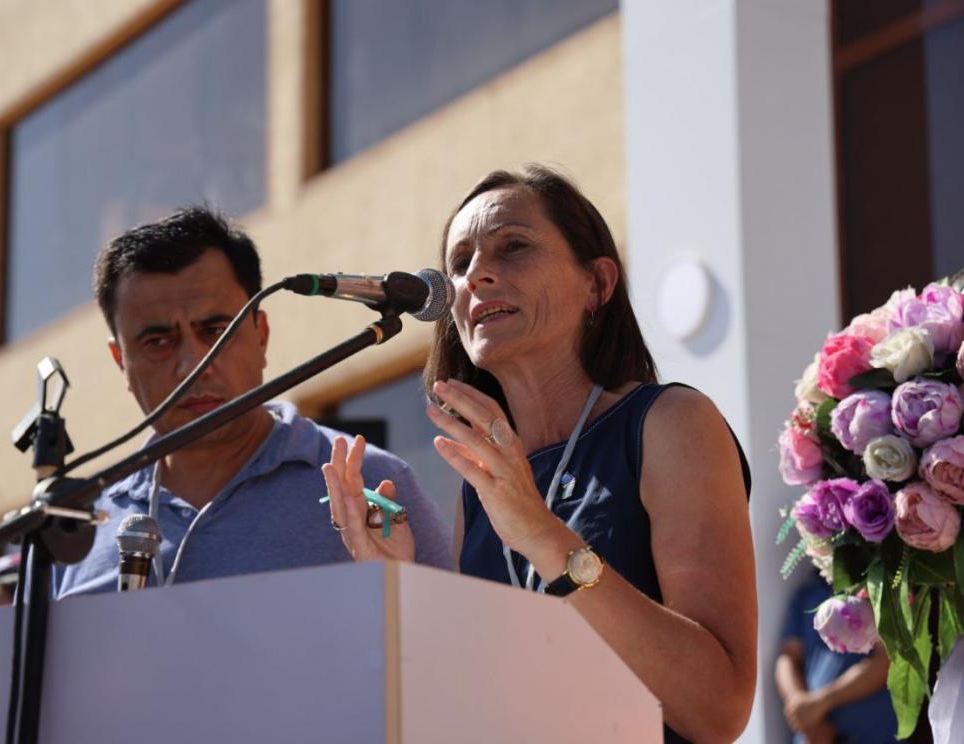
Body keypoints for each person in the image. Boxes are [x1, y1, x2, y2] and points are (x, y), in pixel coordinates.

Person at [323, 165, 757, 743]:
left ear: (597, 283)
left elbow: (717, 709)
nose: (475, 276)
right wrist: (403, 592)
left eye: (514, 246)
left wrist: (544, 535)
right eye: (459, 264)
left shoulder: (669, 424)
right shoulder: (481, 485)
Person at [53, 207, 451, 597]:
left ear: (261, 335)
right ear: (121, 361)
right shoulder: (71, 532)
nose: (193, 366)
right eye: (158, 342)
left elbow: (457, 649)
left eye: (215, 331)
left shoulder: (374, 487)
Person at [775, 576, 897, 743]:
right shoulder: (807, 594)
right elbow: (787, 658)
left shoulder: (878, 590)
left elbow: (885, 663)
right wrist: (802, 711)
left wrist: (819, 704)